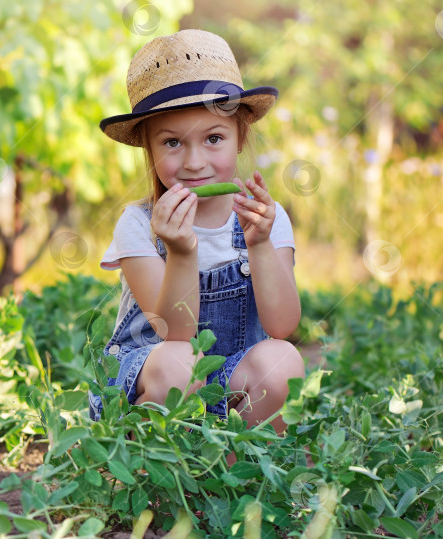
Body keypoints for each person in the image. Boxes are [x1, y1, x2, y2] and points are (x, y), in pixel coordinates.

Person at [88, 29, 304, 435]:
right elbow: (175, 332)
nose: (194, 161)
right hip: (148, 393)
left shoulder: (265, 219)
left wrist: (258, 245)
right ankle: (162, 470)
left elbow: (282, 326)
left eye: (214, 138)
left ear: (240, 138)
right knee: (181, 362)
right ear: (149, 150)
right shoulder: (137, 226)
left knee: (283, 359)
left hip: (226, 389)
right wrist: (182, 252)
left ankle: (236, 472)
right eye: (172, 142)